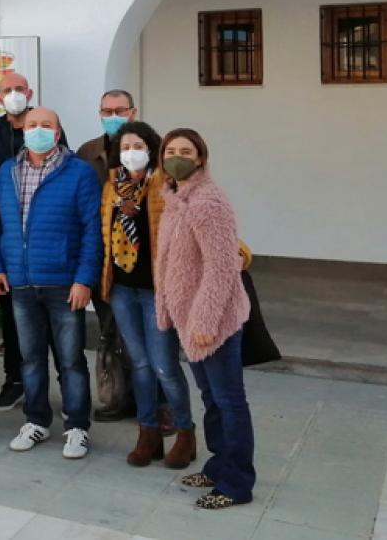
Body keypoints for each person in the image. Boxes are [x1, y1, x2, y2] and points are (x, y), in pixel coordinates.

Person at [0, 107, 101, 460]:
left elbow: (91, 232)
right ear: (23, 131)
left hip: (63, 283)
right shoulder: (7, 171)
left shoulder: (79, 172)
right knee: (31, 359)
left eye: (46, 125)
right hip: (21, 282)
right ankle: (36, 420)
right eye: (32, 125)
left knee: (71, 361)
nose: (38, 130)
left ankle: (77, 427)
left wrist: (84, 279)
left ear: (58, 132)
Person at [156, 128, 255, 509]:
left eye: (186, 151)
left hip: (213, 321)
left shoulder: (208, 201)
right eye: (170, 151)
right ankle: (217, 466)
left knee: (229, 401)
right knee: (211, 398)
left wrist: (204, 322)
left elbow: (221, 268)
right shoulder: (176, 197)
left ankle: (236, 484)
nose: (177, 156)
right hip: (189, 321)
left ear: (200, 159)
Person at [98, 121, 196, 468]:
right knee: (138, 364)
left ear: (151, 148)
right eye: (125, 147)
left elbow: (190, 224)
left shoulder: (164, 184)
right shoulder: (113, 187)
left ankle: (185, 432)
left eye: (137, 145)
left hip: (157, 290)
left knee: (164, 366)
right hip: (123, 289)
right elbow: (105, 234)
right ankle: (148, 431)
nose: (131, 152)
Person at [0, 72, 68, 414]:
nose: (14, 94)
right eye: (7, 90)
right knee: (13, 323)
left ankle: (65, 389)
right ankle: (14, 381)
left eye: (19, 89)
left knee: (59, 330)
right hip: (9, 240)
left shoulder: (44, 127)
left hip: (47, 242)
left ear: (29, 92)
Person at [77, 88, 146, 424]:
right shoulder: (88, 152)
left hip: (144, 262)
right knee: (110, 333)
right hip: (104, 258)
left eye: (120, 110)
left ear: (133, 112)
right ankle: (116, 398)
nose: (113, 116)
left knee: (147, 336)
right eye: (107, 110)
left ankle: (156, 404)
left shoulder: (153, 147)